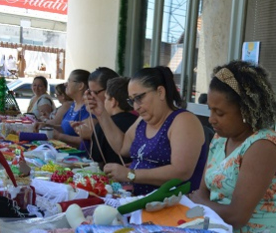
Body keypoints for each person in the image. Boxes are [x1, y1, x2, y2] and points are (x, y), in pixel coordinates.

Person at [188, 61, 276, 233]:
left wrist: (200, 204)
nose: (211, 119)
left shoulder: (263, 145)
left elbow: (237, 215)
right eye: (210, 110)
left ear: (246, 110)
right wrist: (200, 203)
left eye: (220, 112)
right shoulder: (219, 139)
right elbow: (201, 193)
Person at [86, 65, 205, 196]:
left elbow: (181, 172)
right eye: (132, 100)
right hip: (138, 201)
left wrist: (130, 175)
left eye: (139, 98)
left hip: (172, 207)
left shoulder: (183, 121)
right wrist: (102, 114)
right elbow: (122, 146)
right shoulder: (142, 120)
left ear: (160, 92)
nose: (136, 106)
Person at [76, 75, 135, 166]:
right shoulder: (139, 123)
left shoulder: (103, 125)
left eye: (106, 98)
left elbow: (95, 161)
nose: (104, 102)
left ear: (113, 101)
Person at [39, 69, 92, 148]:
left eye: (69, 81)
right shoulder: (73, 105)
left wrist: (59, 136)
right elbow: (65, 129)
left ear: (80, 86)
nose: (65, 84)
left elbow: (89, 140)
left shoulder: (89, 108)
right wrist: (47, 126)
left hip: (78, 158)